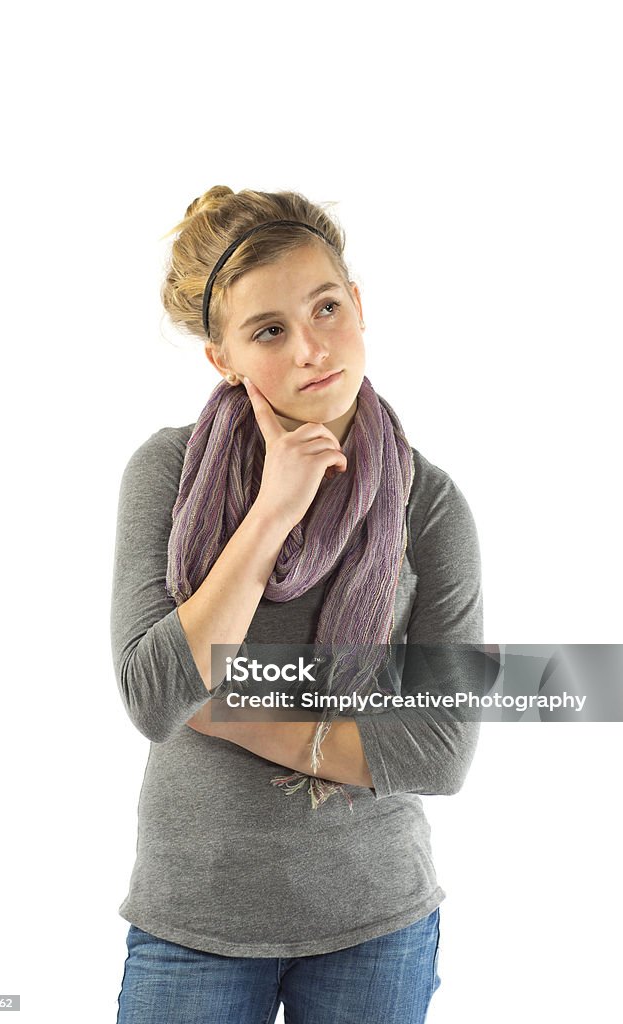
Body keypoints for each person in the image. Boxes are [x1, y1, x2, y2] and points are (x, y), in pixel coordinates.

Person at [111, 186, 485, 1023]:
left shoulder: (429, 504)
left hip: (373, 921)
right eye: (269, 330)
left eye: (325, 308)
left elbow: (439, 749)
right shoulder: (166, 475)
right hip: (193, 917)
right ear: (224, 358)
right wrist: (273, 510)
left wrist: (224, 704)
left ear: (357, 304)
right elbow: (152, 697)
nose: (313, 348)